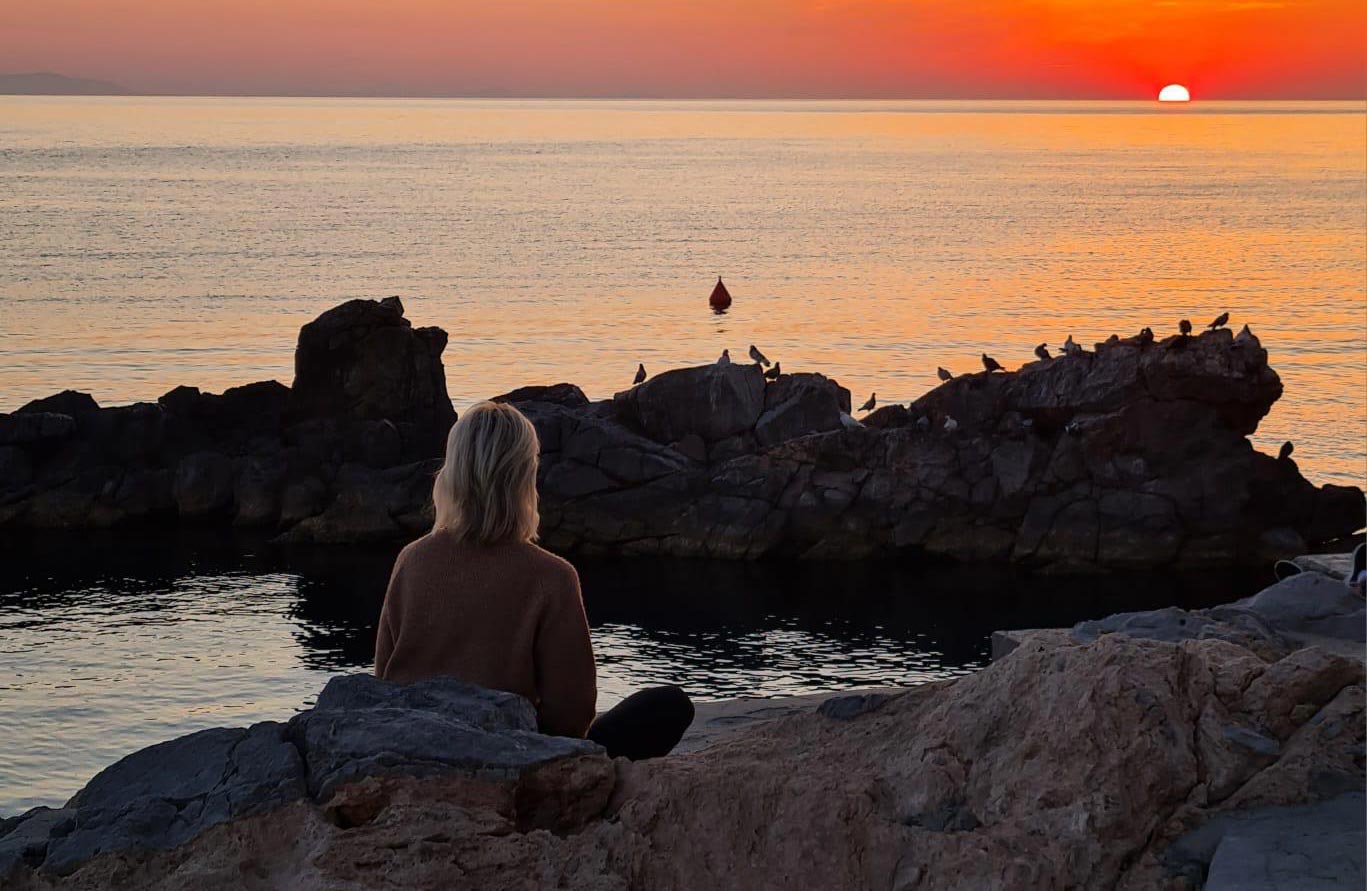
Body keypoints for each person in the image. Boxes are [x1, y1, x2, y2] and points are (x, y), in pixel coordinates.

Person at [374, 401, 694, 760]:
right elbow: (571, 715)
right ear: (525, 475)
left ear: (452, 472)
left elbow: (383, 680)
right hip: (511, 758)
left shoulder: (411, 560)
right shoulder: (552, 577)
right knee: (668, 705)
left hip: (410, 749)